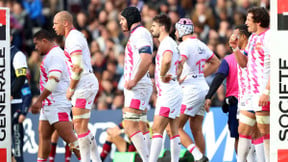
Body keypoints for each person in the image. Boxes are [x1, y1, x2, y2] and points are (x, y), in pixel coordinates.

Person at [53, 11, 101, 162]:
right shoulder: (74, 37)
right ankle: (96, 159)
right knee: (82, 127)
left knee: (79, 126)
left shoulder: (73, 39)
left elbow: (78, 67)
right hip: (85, 82)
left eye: (56, 23)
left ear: (65, 23)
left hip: (83, 84)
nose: (53, 27)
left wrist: (71, 89)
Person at [30, 29, 81, 162]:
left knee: (71, 140)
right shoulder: (53, 54)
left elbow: (54, 79)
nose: (36, 48)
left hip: (57, 104)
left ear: (45, 41)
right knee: (44, 137)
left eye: (37, 44)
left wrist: (39, 100)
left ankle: (88, 159)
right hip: (49, 105)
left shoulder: (54, 55)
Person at [229, 7, 271, 162]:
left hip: (264, 93)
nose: (246, 23)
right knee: (243, 130)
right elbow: (244, 63)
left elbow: (277, 65)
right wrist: (235, 48)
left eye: (248, 19)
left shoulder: (270, 37)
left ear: (258, 21)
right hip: (251, 95)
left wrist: (267, 92)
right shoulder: (253, 38)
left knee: (264, 132)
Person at [175, 18, 220, 162]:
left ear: (181, 31)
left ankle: (198, 156)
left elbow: (180, 62)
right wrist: (201, 75)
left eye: (176, 30)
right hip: (202, 87)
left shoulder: (184, 46)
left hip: (190, 88)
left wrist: (177, 77)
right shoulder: (201, 44)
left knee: (174, 127)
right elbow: (216, 62)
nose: (175, 32)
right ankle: (201, 159)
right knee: (196, 128)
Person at [119, 7, 153, 162]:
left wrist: (134, 80)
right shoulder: (139, 33)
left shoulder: (139, 34)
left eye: (122, 19)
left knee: (129, 124)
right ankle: (151, 157)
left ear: (130, 19)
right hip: (140, 85)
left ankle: (148, 159)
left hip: (138, 86)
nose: (120, 23)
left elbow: (146, 58)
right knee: (140, 124)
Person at [148, 14, 182, 162]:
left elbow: (167, 59)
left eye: (154, 26)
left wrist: (162, 75)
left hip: (168, 92)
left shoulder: (167, 43)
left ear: (162, 28)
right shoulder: (171, 43)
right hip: (171, 90)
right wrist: (174, 75)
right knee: (173, 130)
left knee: (157, 129)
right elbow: (180, 65)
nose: (151, 28)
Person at [10, 37, 29, 162]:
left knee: (16, 146)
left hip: (14, 106)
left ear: (10, 37)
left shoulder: (17, 54)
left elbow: (24, 85)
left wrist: (23, 111)